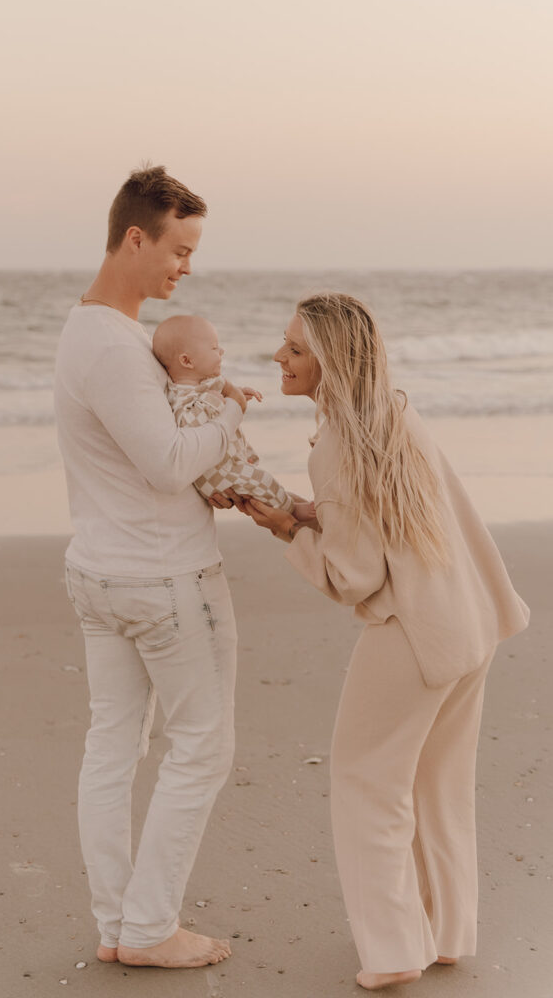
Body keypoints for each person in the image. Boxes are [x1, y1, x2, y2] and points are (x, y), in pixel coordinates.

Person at [239, 293, 530, 991]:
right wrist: (314, 513)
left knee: (366, 782)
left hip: (414, 637)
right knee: (439, 785)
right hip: (472, 622)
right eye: (284, 345)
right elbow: (391, 519)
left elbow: (356, 573)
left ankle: (396, 947)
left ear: (331, 364)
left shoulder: (336, 446)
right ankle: (446, 932)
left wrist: (286, 529)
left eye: (296, 350)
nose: (279, 358)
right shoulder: (394, 415)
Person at [54, 165, 249, 969]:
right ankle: (148, 928)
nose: (186, 267)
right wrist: (232, 413)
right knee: (202, 747)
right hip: (161, 580)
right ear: (136, 237)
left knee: (113, 746)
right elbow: (170, 465)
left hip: (105, 572)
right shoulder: (114, 345)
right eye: (179, 247)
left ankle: (119, 924)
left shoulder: (92, 333)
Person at [152, 313, 315, 517]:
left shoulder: (203, 382)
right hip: (214, 473)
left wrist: (237, 393)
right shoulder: (181, 395)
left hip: (225, 464)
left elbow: (221, 392)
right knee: (261, 481)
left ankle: (286, 502)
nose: (222, 350)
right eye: (213, 348)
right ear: (187, 360)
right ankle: (292, 510)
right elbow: (191, 422)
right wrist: (222, 402)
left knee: (256, 484)